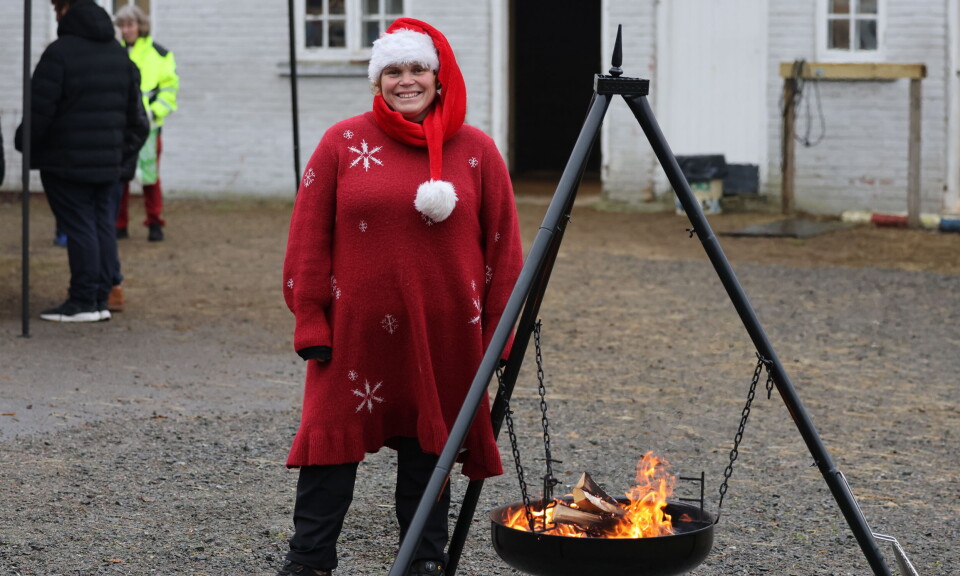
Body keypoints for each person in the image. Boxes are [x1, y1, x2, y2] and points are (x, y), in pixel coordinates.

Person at [278, 18, 524, 576]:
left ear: (438, 78)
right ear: (377, 80)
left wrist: (498, 339)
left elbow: (504, 251)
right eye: (393, 70)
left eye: (417, 69)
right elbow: (307, 238)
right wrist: (310, 319)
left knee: (429, 449)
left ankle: (423, 559)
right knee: (330, 442)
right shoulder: (342, 142)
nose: (406, 80)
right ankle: (309, 561)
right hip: (353, 332)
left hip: (445, 332)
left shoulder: (477, 150)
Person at [15, 0, 149, 323]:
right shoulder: (120, 56)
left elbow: (39, 114)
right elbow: (138, 122)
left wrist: (25, 143)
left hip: (66, 164)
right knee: (101, 226)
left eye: (56, 9)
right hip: (108, 166)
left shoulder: (59, 54)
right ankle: (101, 298)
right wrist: (119, 155)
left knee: (80, 228)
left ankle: (84, 300)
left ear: (64, 11)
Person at [113, 4, 178, 242]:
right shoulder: (114, 53)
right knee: (120, 177)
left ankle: (154, 222)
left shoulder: (160, 54)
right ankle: (119, 224)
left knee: (150, 177)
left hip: (149, 127)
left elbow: (169, 90)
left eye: (130, 25)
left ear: (140, 26)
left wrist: (152, 113)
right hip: (121, 127)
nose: (126, 30)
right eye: (122, 25)